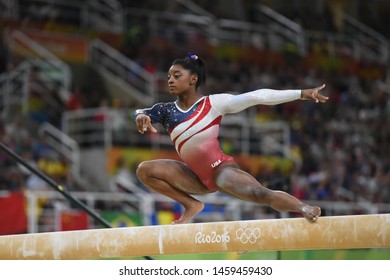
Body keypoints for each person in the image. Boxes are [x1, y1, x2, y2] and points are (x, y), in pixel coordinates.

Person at [133, 53, 329, 224]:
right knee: (145, 171)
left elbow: (256, 97)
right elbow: (143, 111)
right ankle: (191, 204)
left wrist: (301, 94)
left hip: (220, 170)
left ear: (193, 79)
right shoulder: (165, 110)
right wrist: (140, 116)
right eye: (169, 77)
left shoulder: (213, 103)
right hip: (193, 177)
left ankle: (303, 208)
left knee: (260, 194)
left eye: (177, 76)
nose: (170, 80)